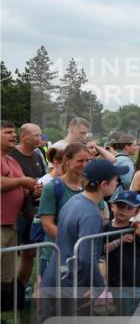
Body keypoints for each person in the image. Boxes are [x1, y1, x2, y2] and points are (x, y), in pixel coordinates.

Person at [42, 159, 128, 300]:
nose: (117, 182)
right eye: (115, 179)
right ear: (104, 184)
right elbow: (87, 257)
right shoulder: (91, 214)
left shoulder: (74, 201)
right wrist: (100, 288)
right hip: (71, 283)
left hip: (56, 275)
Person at [37, 142, 94, 281]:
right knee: (54, 299)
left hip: (83, 254)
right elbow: (47, 224)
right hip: (56, 254)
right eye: (80, 161)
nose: (85, 164)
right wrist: (74, 241)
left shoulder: (91, 186)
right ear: (67, 161)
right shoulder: (53, 188)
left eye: (88, 160)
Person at [9, 124, 46, 298]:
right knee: (19, 254)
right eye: (35, 135)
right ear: (23, 136)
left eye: (40, 135)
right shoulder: (11, 156)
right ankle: (13, 293)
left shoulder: (38, 154)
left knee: (30, 253)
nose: (39, 139)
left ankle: (20, 291)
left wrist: (40, 188)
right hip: (17, 212)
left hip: (34, 209)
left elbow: (43, 177)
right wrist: (30, 190)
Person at [1, 121, 35, 308]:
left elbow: (21, 188)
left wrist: (31, 190)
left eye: (14, 132)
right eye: (8, 132)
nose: (13, 136)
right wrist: (22, 181)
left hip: (11, 222)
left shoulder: (12, 160)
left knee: (5, 274)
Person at [102, 189, 140, 314]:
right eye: (121, 206)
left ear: (137, 211)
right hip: (118, 284)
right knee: (124, 317)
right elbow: (102, 249)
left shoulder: (136, 227)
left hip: (138, 281)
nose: (124, 210)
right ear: (113, 207)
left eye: (129, 208)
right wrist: (120, 241)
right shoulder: (106, 229)